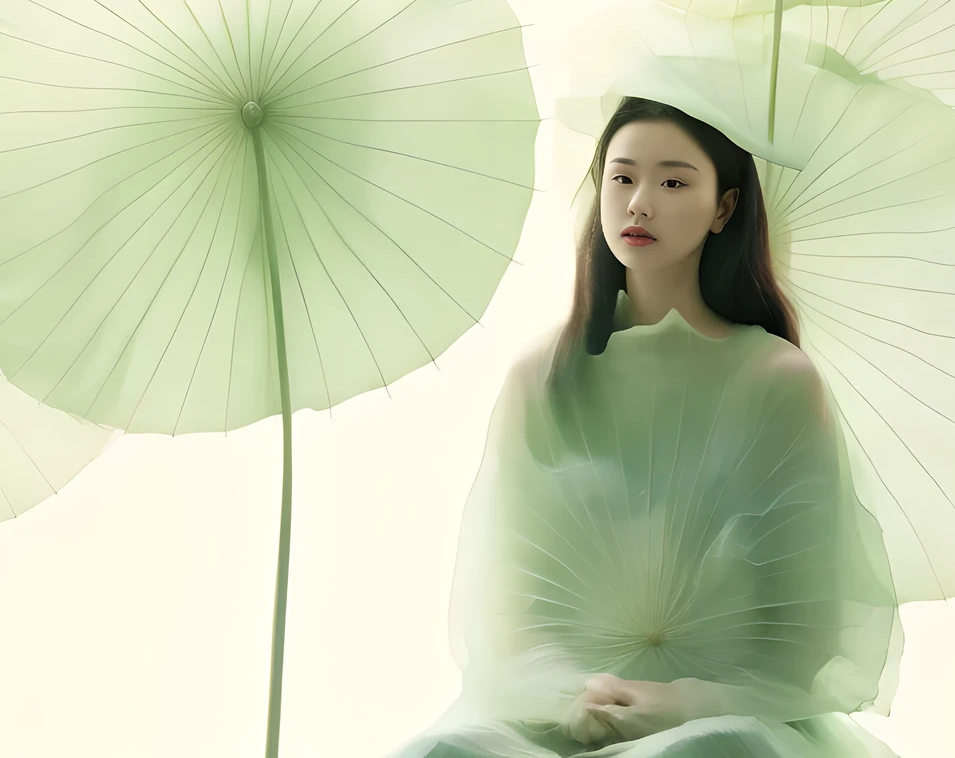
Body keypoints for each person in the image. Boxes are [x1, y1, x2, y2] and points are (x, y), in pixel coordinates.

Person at [387, 97, 903, 757]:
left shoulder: (776, 382)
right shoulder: (542, 381)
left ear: (725, 208)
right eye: (623, 177)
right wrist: (575, 700)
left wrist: (681, 702)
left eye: (673, 181)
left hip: (723, 717)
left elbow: (806, 630)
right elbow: (506, 615)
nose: (639, 202)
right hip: (556, 713)